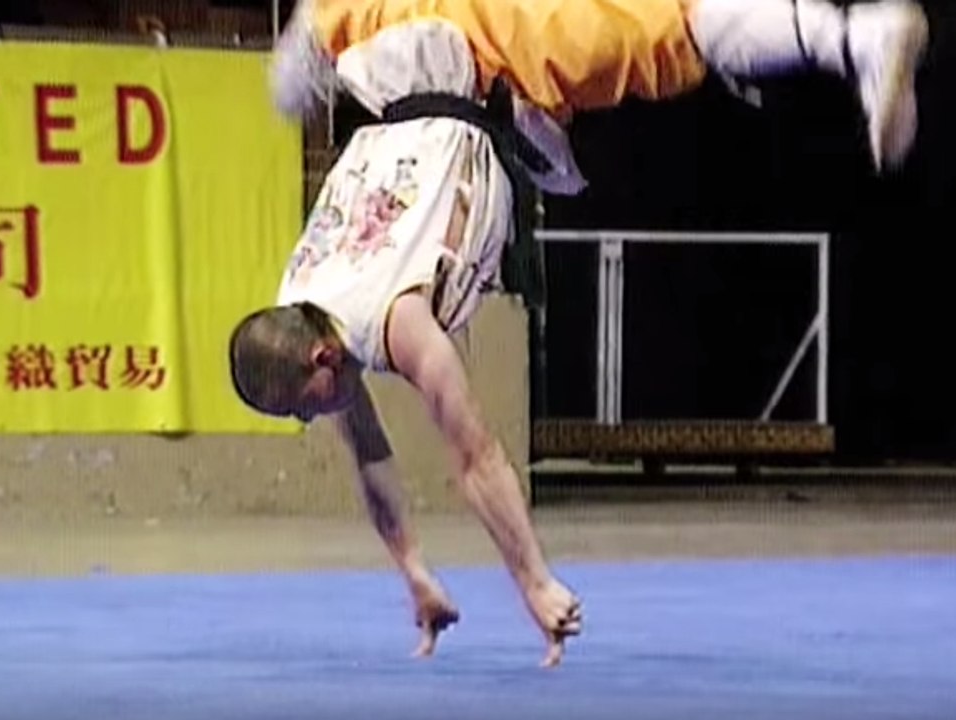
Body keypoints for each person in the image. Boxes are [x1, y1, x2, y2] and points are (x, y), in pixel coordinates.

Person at [229, 0, 929, 667]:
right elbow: (370, 459)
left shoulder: (396, 321)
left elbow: (477, 458)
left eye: (302, 405)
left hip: (475, 60)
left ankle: (854, 39)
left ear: (318, 357)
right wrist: (414, 572)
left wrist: (534, 583)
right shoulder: (302, 299)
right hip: (439, 79)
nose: (311, 417)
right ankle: (840, 42)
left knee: (666, 32)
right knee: (649, 43)